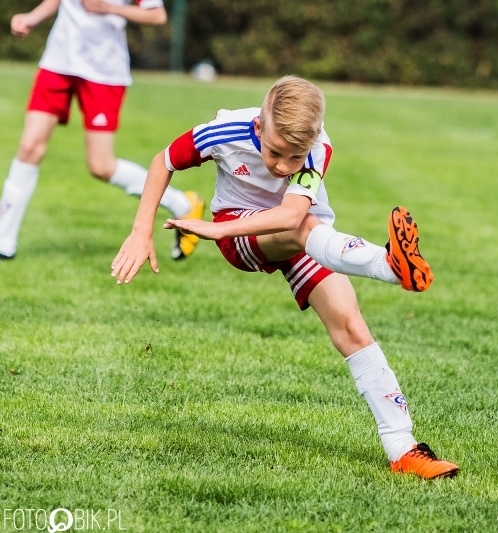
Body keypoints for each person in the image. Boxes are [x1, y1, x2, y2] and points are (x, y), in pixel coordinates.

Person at [111, 75, 459, 479]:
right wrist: (142, 231)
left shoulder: (317, 146)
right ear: (259, 127)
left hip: (308, 238)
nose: (282, 166)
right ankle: (391, 266)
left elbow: (292, 214)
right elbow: (164, 161)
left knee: (351, 328)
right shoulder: (223, 132)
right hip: (241, 233)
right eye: (275, 152)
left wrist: (218, 229)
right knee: (305, 229)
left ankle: (403, 449)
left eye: (295, 158)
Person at [0, 0, 204, 260]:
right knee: (29, 147)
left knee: (101, 166)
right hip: (58, 61)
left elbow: (157, 15)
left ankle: (183, 204)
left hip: (104, 71)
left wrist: (109, 8)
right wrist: (33, 17)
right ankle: (4, 240)